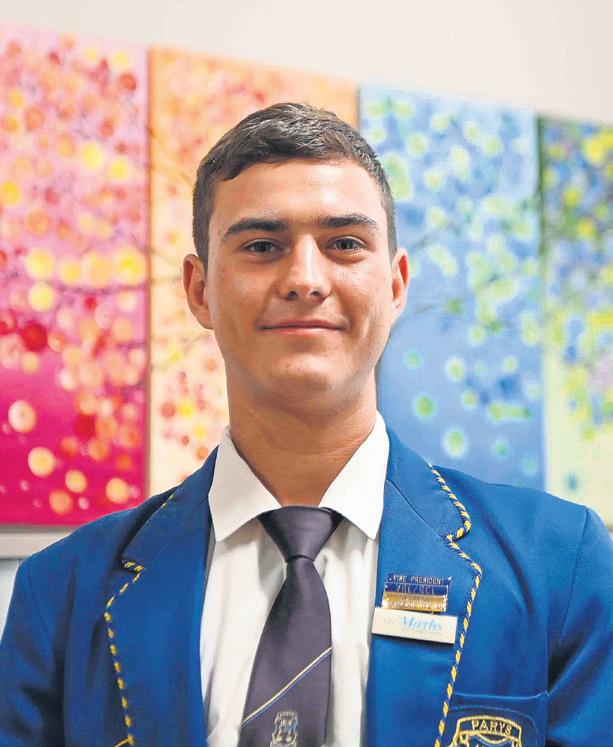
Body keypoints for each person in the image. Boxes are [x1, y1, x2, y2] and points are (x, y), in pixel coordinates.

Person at [0, 103, 611, 747]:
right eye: (262, 247)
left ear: (395, 286)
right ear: (199, 290)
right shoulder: (62, 592)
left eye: (344, 244)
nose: (304, 279)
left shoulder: (558, 566)